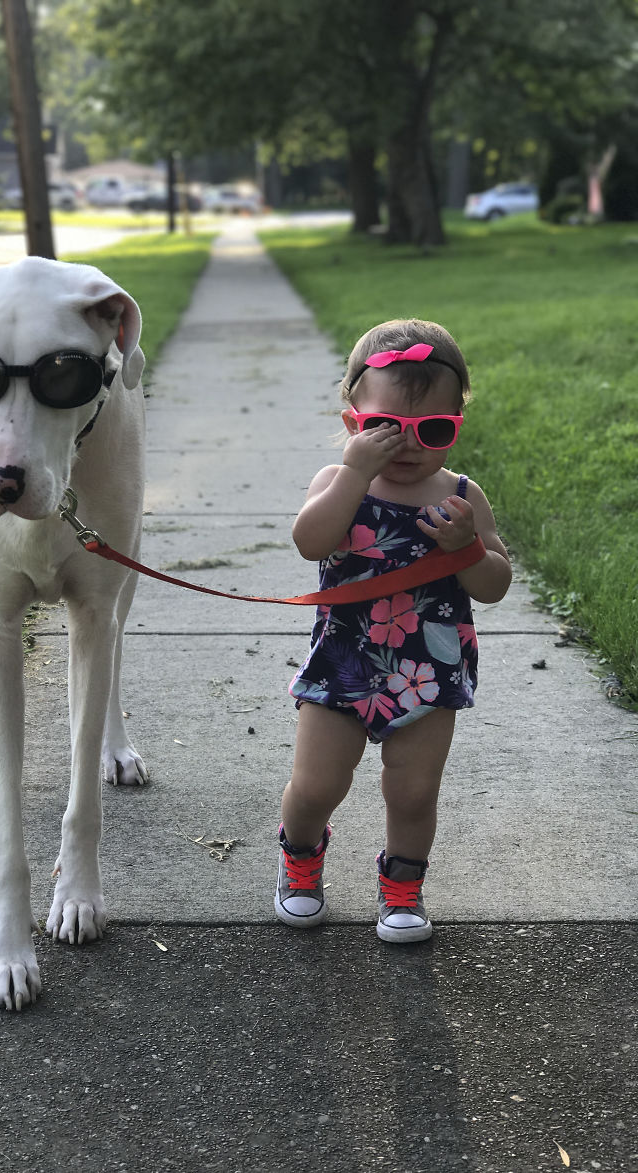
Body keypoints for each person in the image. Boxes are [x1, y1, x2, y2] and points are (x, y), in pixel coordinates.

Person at [275, 319, 511, 942]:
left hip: (429, 666)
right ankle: (300, 858)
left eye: (432, 430)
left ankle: (402, 889)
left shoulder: (463, 497)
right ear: (353, 418)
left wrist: (465, 549)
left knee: (413, 791)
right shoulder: (338, 483)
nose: (407, 447)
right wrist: (353, 475)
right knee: (318, 783)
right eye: (384, 429)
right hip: (343, 662)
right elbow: (309, 543)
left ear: (457, 423)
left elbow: (494, 585)